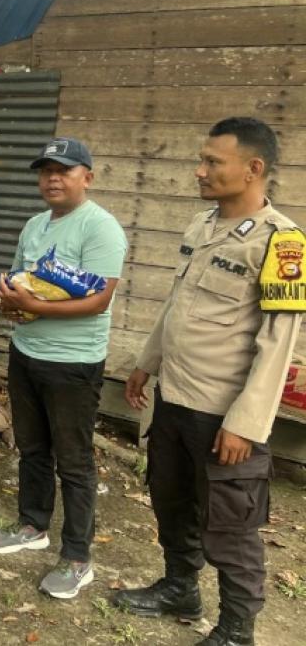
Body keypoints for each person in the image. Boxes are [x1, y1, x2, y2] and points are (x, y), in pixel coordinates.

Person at [111, 118, 303, 646]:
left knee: (230, 525)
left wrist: (246, 424)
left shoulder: (283, 244)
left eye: (213, 162)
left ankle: (238, 630)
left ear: (253, 169)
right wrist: (145, 362)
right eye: (202, 159)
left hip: (224, 412)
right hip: (175, 398)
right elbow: (177, 306)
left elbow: (277, 343)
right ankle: (180, 589)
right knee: (171, 500)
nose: (199, 170)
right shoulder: (202, 226)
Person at [0, 137, 127, 599]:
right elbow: (21, 282)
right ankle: (32, 524)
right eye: (45, 171)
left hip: (74, 363)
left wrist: (31, 306)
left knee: (75, 460)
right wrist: (10, 304)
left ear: (88, 176)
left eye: (63, 170)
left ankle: (78, 558)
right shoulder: (34, 225)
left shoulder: (100, 228)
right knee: (32, 446)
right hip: (26, 352)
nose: (52, 178)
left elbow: (100, 299)